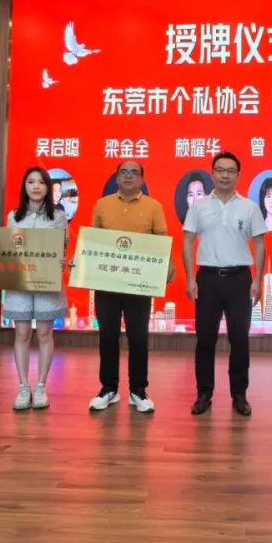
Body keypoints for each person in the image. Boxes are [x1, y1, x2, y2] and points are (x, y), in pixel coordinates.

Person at [183, 152, 267, 416]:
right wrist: (189, 277)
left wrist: (258, 280)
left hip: (240, 279)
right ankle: (204, 393)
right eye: (220, 170)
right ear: (212, 174)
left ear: (238, 175)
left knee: (239, 339)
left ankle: (239, 394)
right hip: (207, 279)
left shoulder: (250, 207)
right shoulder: (199, 207)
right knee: (205, 339)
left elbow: (260, 244)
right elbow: (187, 241)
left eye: (231, 171)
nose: (225, 175)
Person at [86, 160, 174, 413]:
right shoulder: (102, 205)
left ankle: (138, 391)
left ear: (142, 180)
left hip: (139, 282)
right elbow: (93, 242)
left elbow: (161, 240)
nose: (128, 176)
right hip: (107, 281)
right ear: (116, 178)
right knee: (108, 335)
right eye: (123, 172)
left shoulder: (153, 206)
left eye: (134, 172)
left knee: (138, 336)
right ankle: (108, 389)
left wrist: (168, 264)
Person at [0, 167, 68, 411]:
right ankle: (23, 385)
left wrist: (63, 262)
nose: (36, 186)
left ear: (48, 187)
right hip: (19, 282)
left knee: (44, 334)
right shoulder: (14, 216)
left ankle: (41, 386)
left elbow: (62, 248)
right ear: (24, 186)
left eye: (41, 182)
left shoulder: (58, 217)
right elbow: (9, 249)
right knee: (21, 334)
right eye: (31, 182)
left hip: (47, 282)